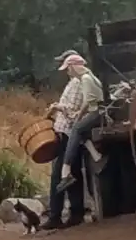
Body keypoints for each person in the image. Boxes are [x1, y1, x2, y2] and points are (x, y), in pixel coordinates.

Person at [43, 51, 99, 230]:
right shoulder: (78, 81)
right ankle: (75, 213)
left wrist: (57, 107)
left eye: (66, 66)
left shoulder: (78, 82)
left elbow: (75, 108)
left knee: (60, 174)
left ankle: (56, 215)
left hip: (67, 131)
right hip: (66, 131)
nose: (65, 70)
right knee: (72, 172)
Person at [55, 54, 105, 197]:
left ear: (74, 66)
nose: (68, 72)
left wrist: (79, 115)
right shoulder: (89, 77)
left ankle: (66, 171)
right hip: (96, 111)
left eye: (68, 68)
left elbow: (88, 102)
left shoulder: (86, 79)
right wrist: (79, 114)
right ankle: (97, 157)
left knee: (76, 128)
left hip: (96, 112)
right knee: (80, 131)